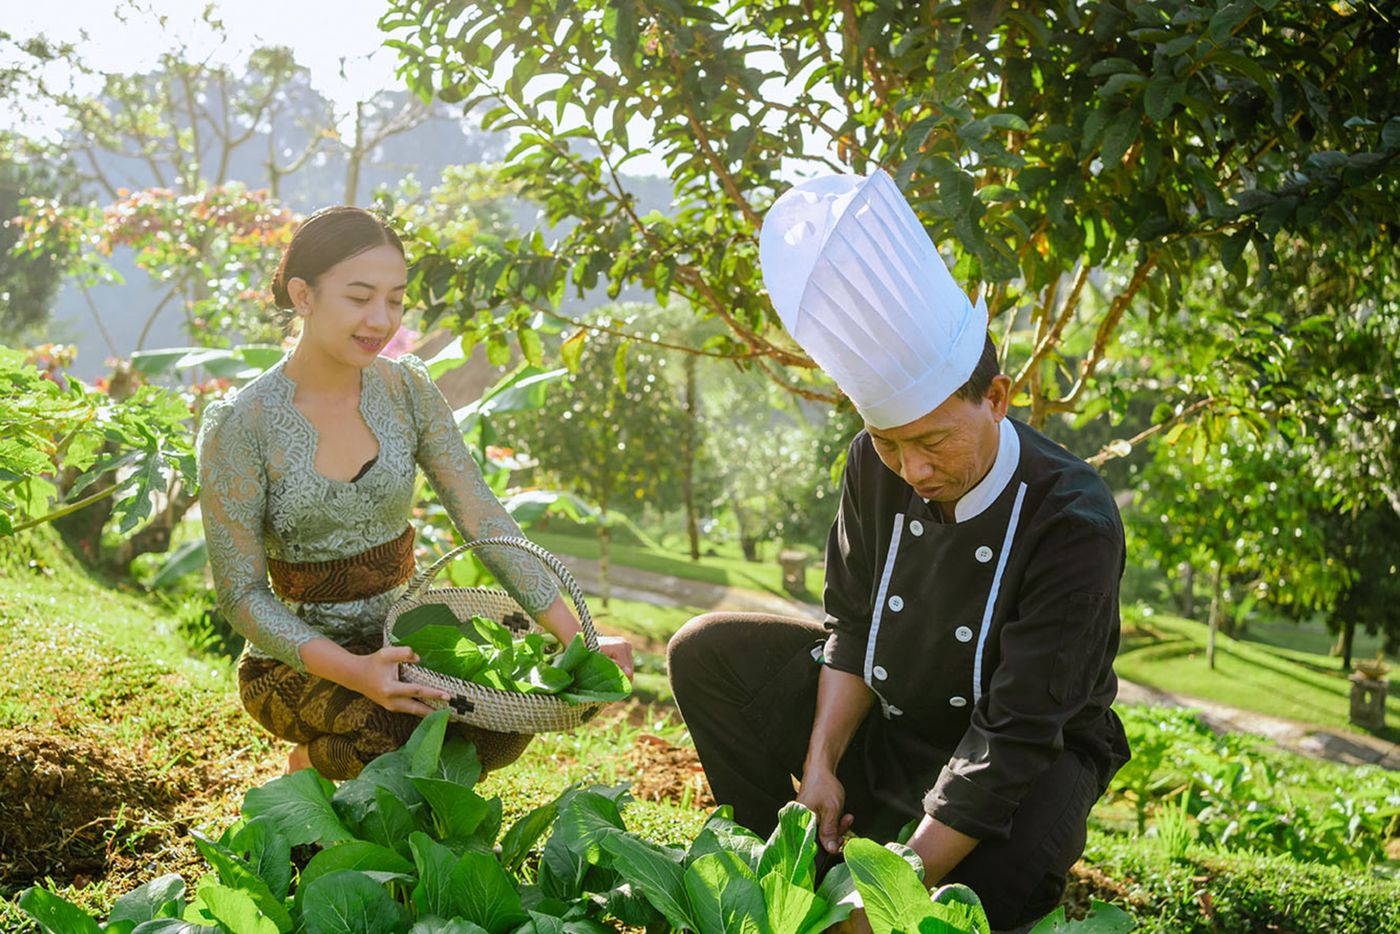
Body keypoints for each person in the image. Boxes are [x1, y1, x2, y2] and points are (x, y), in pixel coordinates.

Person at [667, 171, 1130, 932]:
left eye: (932, 441)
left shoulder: (1073, 519)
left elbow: (1015, 736)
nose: (912, 471)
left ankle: (871, 883)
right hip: (893, 721)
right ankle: (782, 861)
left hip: (1029, 760)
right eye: (889, 444)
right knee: (706, 652)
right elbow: (850, 628)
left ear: (1000, 397)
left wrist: (889, 895)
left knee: (976, 902)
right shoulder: (868, 466)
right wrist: (819, 768)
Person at [197, 206, 633, 780]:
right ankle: (308, 767)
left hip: (407, 636)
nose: (380, 319)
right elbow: (242, 596)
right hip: (298, 661)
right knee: (390, 731)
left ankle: (398, 807)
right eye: (359, 297)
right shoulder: (241, 423)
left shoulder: (408, 391)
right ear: (303, 296)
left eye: (395, 300)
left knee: (503, 728)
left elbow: (482, 516)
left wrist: (581, 638)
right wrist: (359, 674)